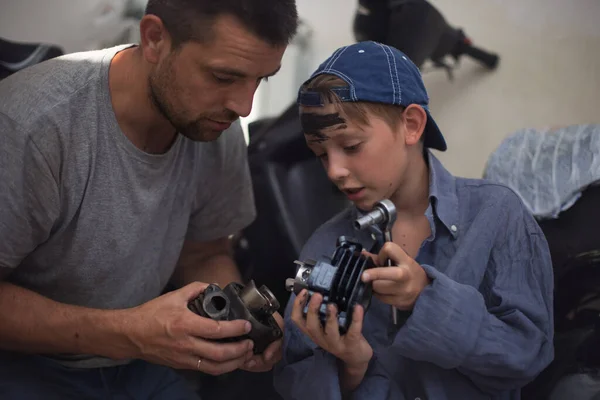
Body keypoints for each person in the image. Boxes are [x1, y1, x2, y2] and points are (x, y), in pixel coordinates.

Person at [0, 0, 297, 399]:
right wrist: (129, 334)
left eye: (261, 79)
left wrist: (241, 319)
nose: (242, 106)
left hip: (137, 365)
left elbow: (202, 253)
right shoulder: (34, 126)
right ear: (155, 38)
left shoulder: (214, 127)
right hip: (27, 363)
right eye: (223, 76)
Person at [273, 41, 554, 400]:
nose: (335, 171)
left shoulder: (497, 216)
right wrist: (350, 368)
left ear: (411, 124)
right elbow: (293, 378)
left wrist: (427, 299)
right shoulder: (325, 245)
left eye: (352, 146)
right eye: (320, 154)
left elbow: (527, 358)